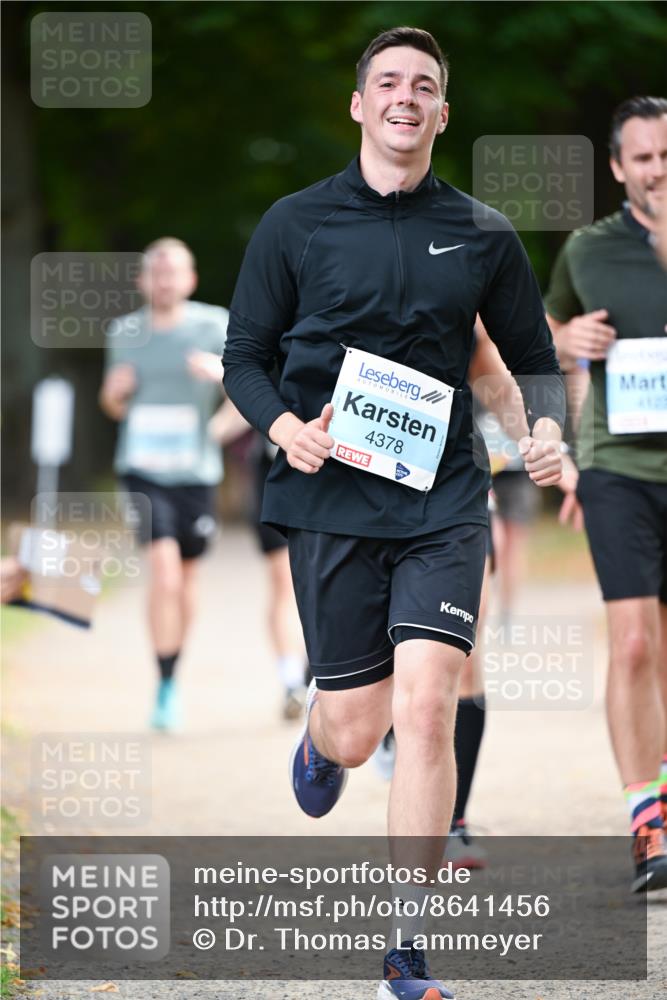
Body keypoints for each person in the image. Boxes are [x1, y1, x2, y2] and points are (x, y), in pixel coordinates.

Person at [224, 27, 564, 999]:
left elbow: (527, 359)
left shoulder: (484, 233)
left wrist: (543, 435)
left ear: (442, 112)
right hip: (330, 499)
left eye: (423, 85)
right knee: (358, 726)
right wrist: (285, 426)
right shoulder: (293, 224)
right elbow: (243, 356)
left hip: (444, 501)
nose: (405, 97)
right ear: (360, 105)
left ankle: (404, 949)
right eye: (387, 83)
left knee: (427, 704)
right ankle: (321, 737)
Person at [545, 96, 667, 893]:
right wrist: (566, 340)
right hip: (618, 465)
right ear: (619, 168)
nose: (659, 171)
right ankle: (647, 822)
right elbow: (542, 332)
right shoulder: (587, 248)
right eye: (645, 158)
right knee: (630, 642)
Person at [100, 237, 227, 731]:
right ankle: (165, 679)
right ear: (143, 280)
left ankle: (174, 670)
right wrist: (114, 395)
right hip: (142, 465)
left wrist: (217, 416)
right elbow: (112, 403)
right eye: (156, 272)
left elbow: (248, 386)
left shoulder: (213, 325)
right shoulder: (125, 331)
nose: (165, 280)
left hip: (194, 471)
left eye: (174, 272)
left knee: (187, 579)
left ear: (190, 279)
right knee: (165, 572)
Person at [208, 402, 309, 719]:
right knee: (284, 583)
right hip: (276, 479)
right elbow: (243, 398)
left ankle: (318, 673)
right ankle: (292, 680)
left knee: (325, 585)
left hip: (337, 479)